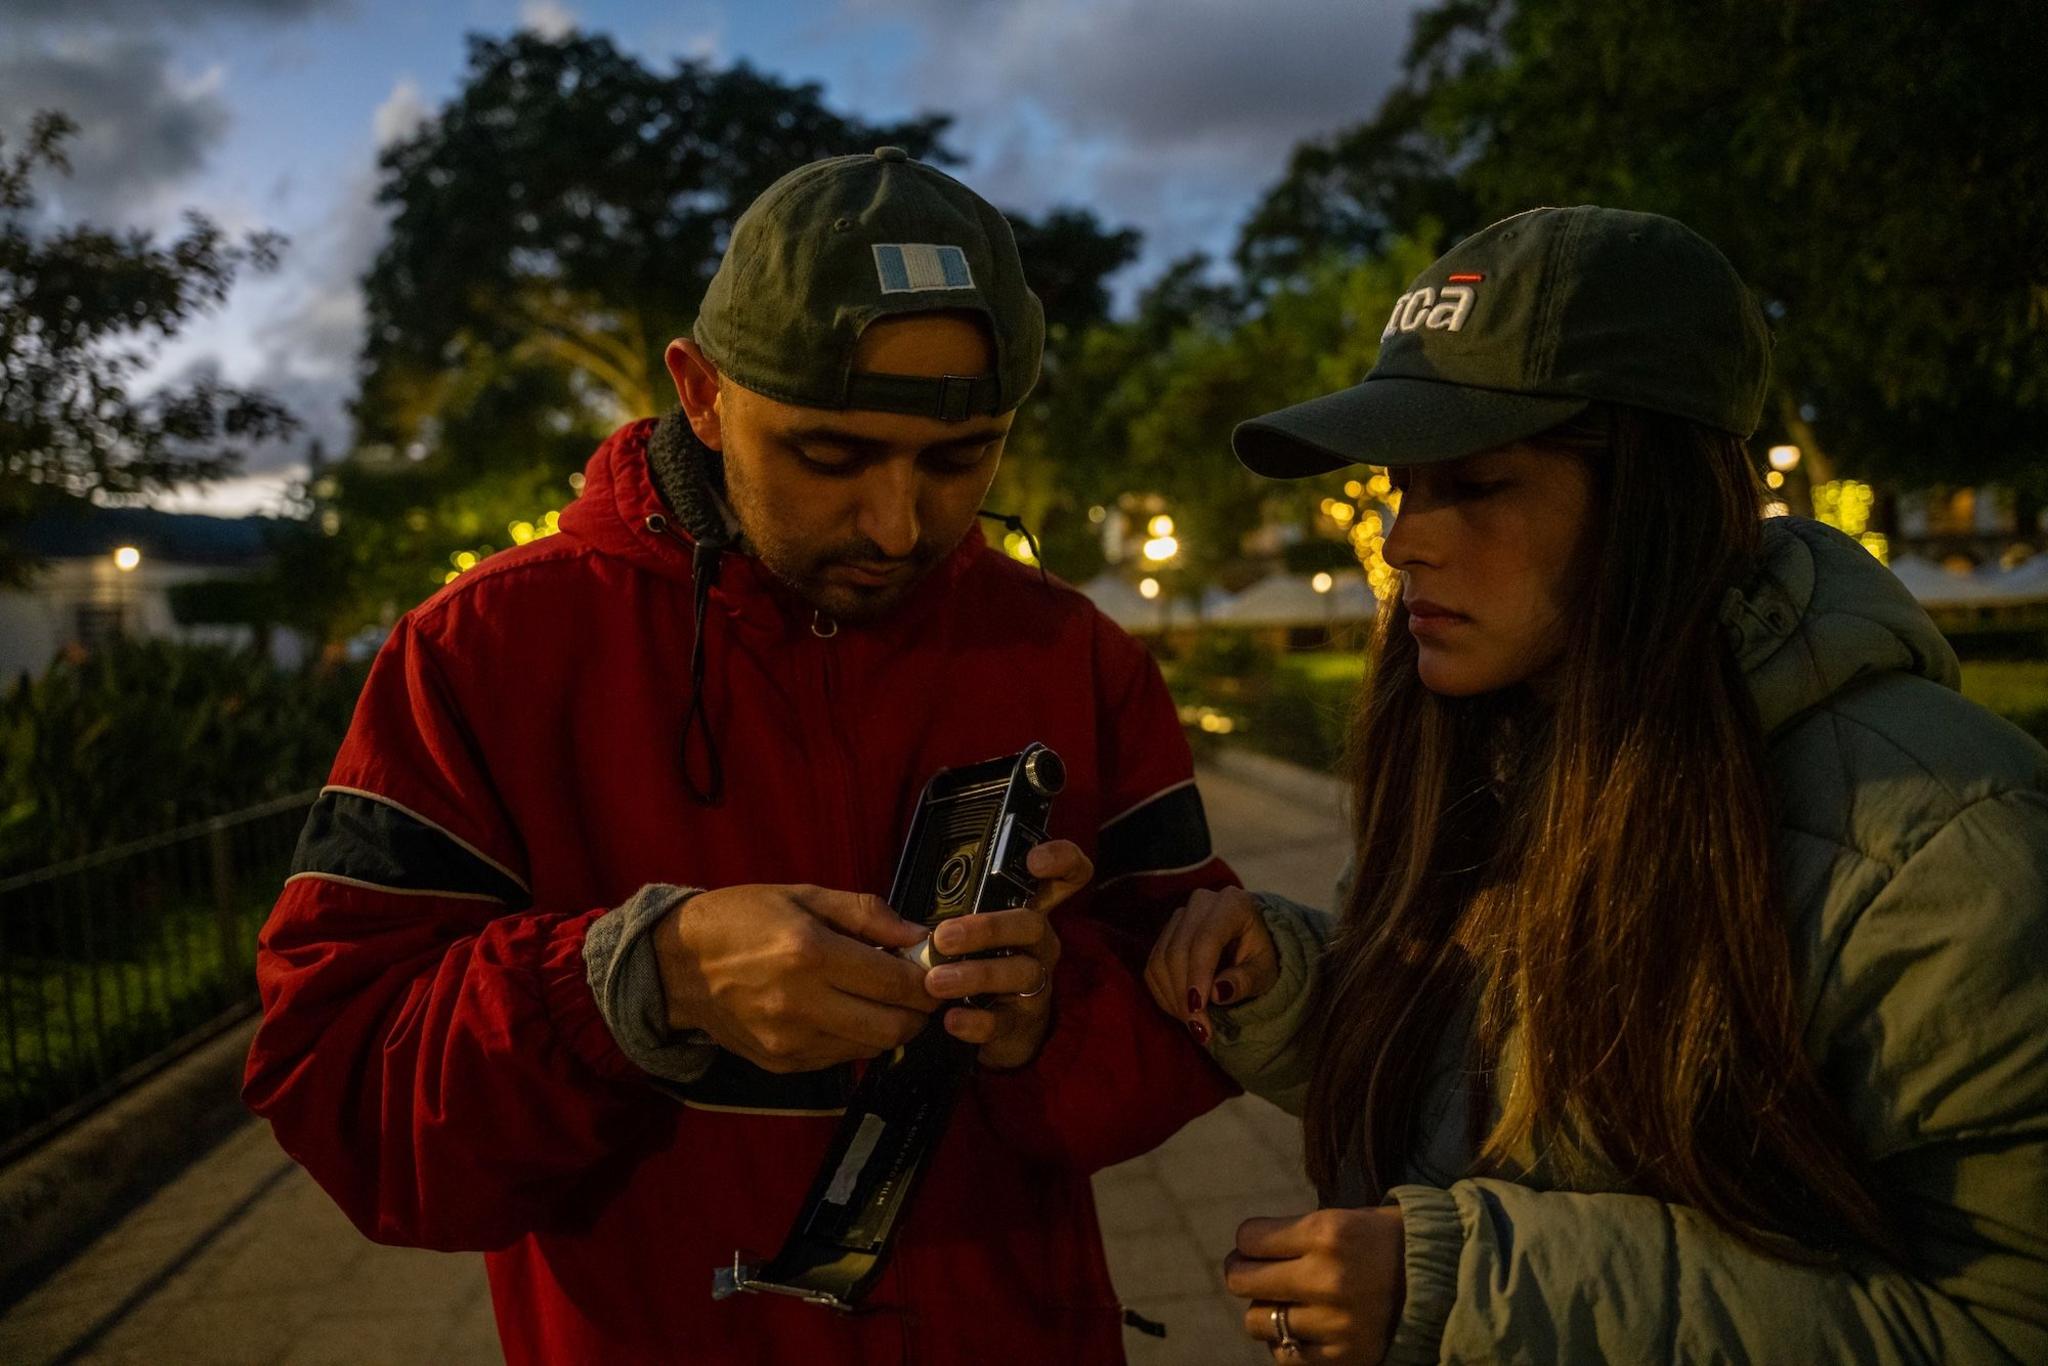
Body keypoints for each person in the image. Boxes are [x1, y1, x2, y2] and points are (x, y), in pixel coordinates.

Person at [245, 148, 1238, 1366]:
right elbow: (337, 1087)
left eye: (957, 459)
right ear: (701, 393)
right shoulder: (484, 652)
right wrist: (638, 979)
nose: (898, 525)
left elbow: (1205, 1011)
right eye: (828, 455)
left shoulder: (1072, 654)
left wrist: (1043, 1020)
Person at [1147, 205, 2048, 1364]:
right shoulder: (1488, 740)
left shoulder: (1941, 844)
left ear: (1653, 499)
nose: (1404, 541)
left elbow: (2000, 1325)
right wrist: (1292, 987)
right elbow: (1511, 1095)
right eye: (1399, 488)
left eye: (1473, 484)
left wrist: (1466, 1290)